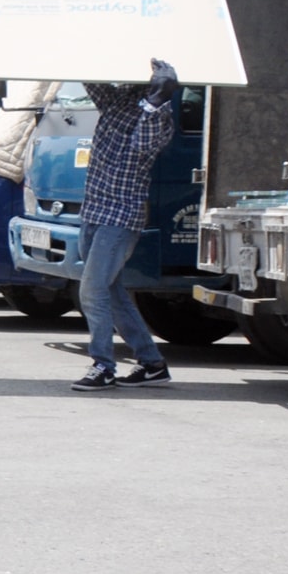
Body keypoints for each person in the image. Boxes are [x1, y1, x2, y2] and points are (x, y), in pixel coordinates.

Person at [71, 59, 181, 393]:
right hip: (94, 211)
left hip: (119, 218)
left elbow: (141, 148)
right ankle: (152, 364)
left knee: (92, 290)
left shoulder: (159, 117)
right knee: (112, 292)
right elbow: (92, 82)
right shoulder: (120, 100)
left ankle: (103, 366)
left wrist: (156, 101)